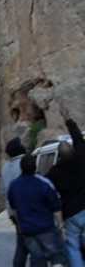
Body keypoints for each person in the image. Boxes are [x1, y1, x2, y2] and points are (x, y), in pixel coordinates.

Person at [8, 154, 68, 267]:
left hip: (28, 231)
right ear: (35, 167)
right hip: (46, 229)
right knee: (56, 257)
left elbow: (14, 209)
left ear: (21, 167)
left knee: (37, 258)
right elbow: (56, 207)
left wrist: (19, 226)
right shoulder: (44, 184)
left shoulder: (14, 186)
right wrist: (61, 226)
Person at [47, 107, 85, 267]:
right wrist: (68, 120)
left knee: (73, 247)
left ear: (59, 156)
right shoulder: (82, 159)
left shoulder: (55, 172)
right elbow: (77, 137)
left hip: (71, 214)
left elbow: (48, 190)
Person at [0, 137, 29, 267]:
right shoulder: (25, 162)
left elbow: (3, 190)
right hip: (29, 209)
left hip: (13, 212)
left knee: (21, 244)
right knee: (36, 246)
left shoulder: (5, 167)